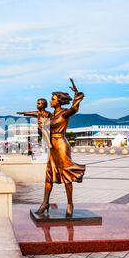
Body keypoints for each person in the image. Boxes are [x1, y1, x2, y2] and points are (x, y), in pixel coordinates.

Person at [37, 82, 86, 217]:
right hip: (52, 146)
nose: (50, 101)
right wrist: (41, 128)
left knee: (66, 175)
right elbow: (45, 131)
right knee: (49, 174)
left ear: (58, 101)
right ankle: (45, 202)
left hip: (61, 145)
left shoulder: (64, 113)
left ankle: (70, 203)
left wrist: (77, 97)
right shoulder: (50, 116)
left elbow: (74, 109)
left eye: (52, 99)